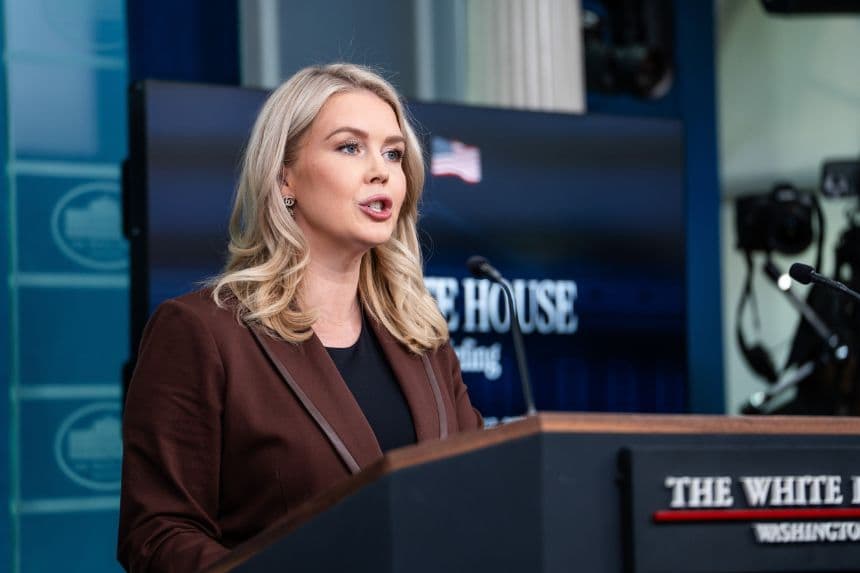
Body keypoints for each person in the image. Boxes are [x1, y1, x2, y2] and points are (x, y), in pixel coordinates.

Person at [117, 63, 483, 573]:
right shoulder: (203, 332)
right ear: (285, 175)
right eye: (350, 147)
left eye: (393, 153)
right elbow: (156, 533)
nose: (380, 169)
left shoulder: (422, 339)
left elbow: (481, 498)